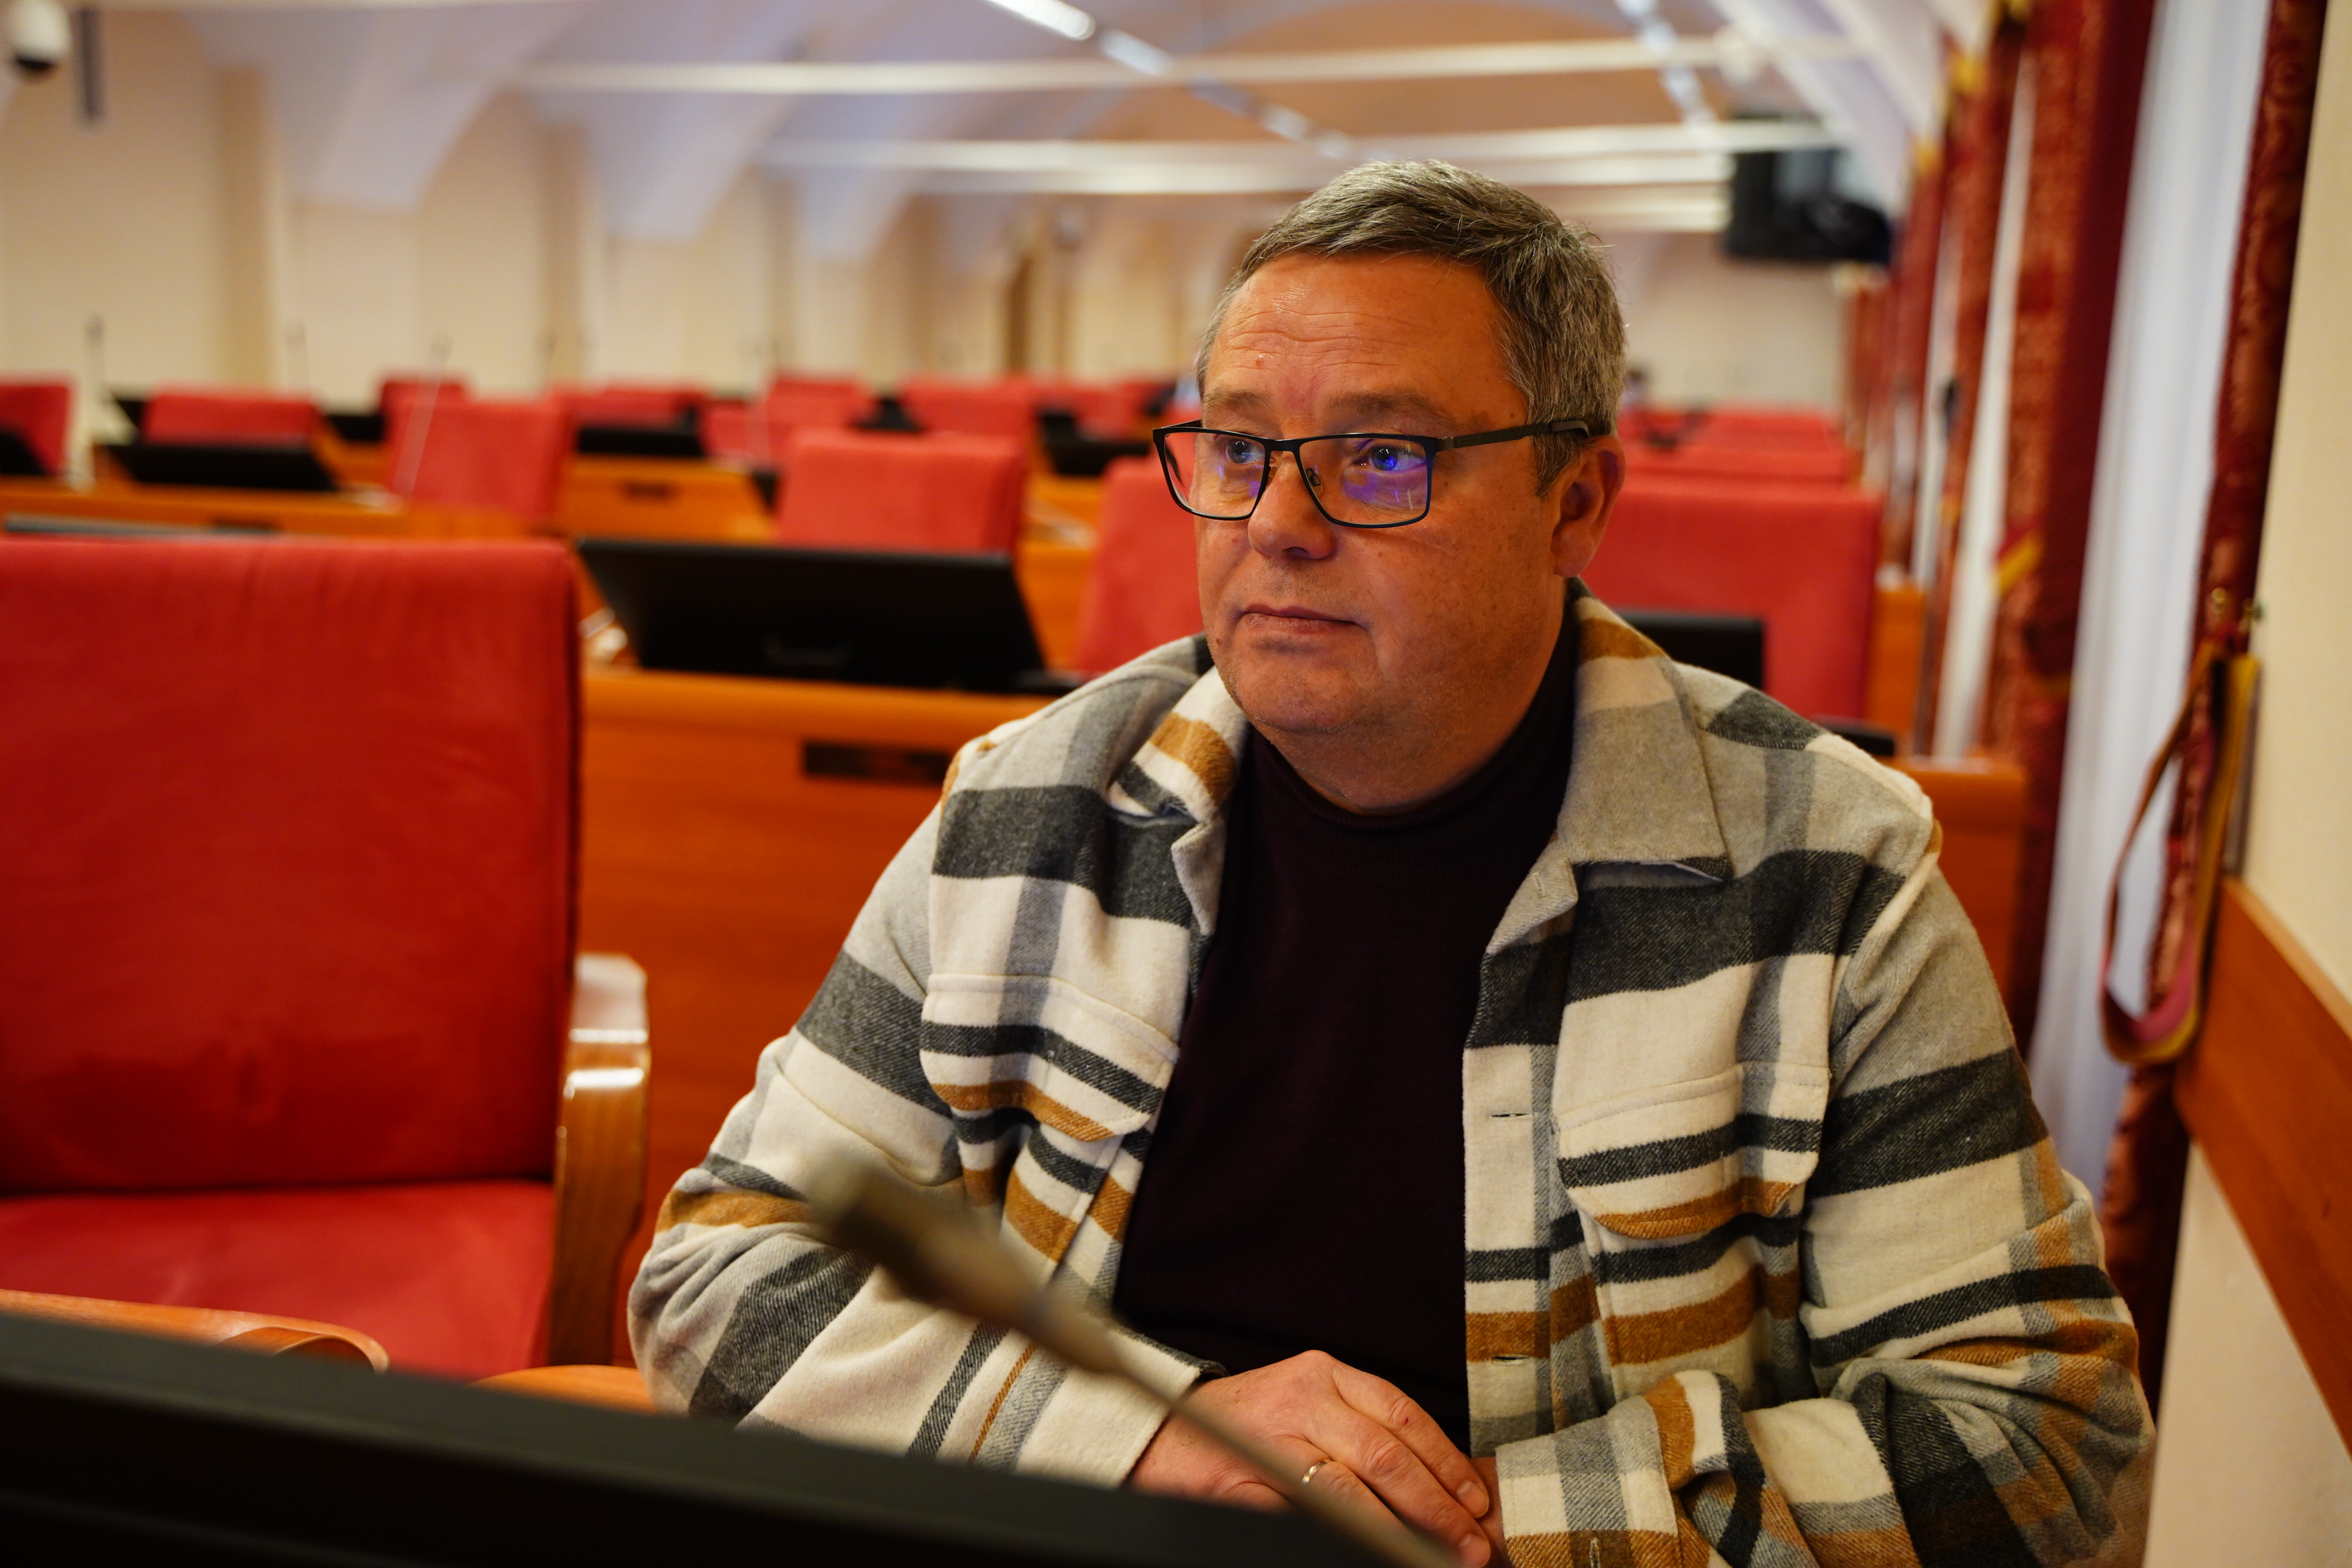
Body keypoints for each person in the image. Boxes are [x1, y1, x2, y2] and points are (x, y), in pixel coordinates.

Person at [632, 161, 2151, 1567]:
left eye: (1381, 458)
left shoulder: (1831, 872)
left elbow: (2033, 1435)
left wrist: (1452, 1527)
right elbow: (719, 1275)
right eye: (1240, 449)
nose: (1279, 524)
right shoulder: (1027, 808)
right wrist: (1155, 1440)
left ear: (1575, 503)